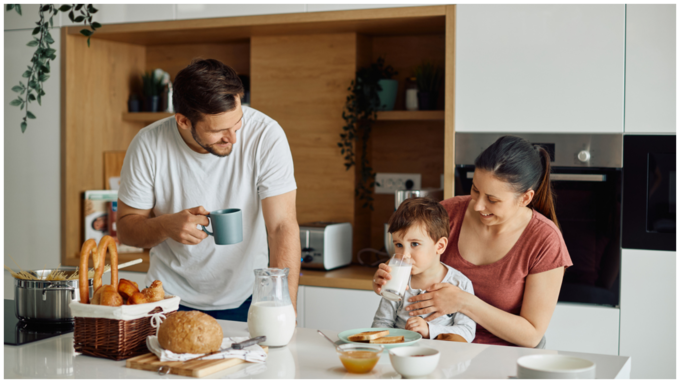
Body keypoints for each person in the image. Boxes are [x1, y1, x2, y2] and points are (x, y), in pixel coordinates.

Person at [116, 59, 300, 322]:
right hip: (168, 301)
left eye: (237, 124)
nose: (233, 138)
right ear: (183, 121)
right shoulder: (148, 144)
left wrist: (284, 309)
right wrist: (166, 226)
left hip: (248, 298)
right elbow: (125, 228)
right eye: (219, 131)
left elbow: (282, 226)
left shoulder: (265, 135)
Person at [373, 136, 572, 347]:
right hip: (437, 351)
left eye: (492, 200)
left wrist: (464, 302)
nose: (477, 206)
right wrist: (388, 280)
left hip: (503, 358)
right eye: (475, 189)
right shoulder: (447, 213)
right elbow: (412, 258)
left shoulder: (545, 240)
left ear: (525, 198)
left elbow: (531, 335)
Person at [372, 197, 476, 343]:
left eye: (415, 244)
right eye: (399, 245)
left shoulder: (460, 284)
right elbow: (381, 324)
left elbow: (467, 331)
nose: (404, 255)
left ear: (440, 246)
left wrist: (429, 330)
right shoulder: (397, 280)